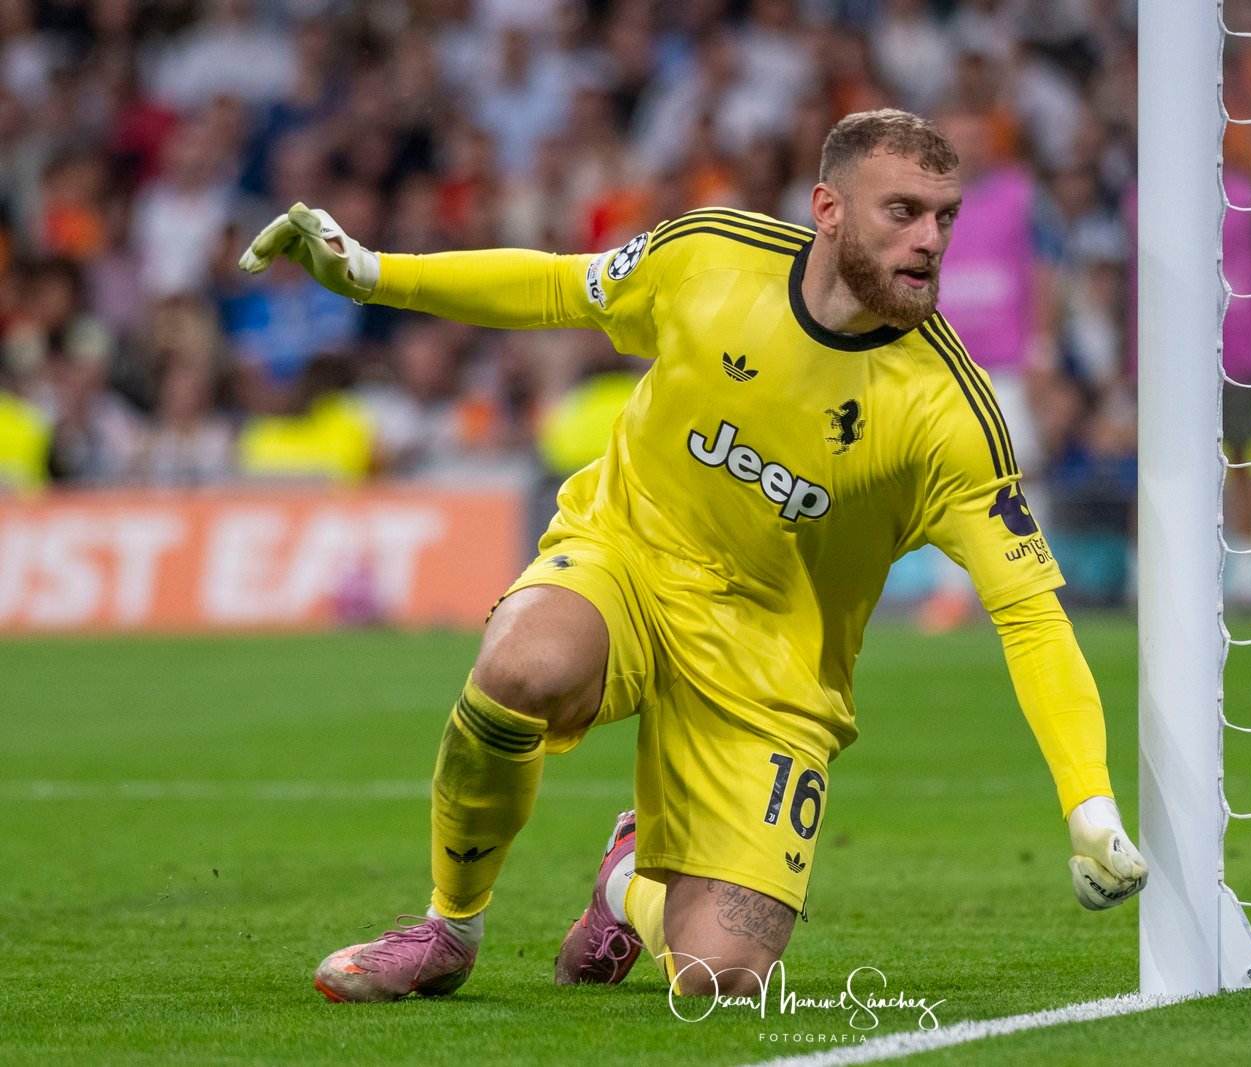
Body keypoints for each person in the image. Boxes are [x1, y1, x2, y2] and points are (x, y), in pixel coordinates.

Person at [239, 108, 1146, 1003]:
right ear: (828, 209)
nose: (930, 240)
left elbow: (1030, 614)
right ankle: (449, 927)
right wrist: (370, 273)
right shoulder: (710, 257)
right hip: (629, 558)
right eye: (902, 211)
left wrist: (1090, 804)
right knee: (521, 666)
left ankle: (624, 883)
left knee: (720, 979)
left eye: (945, 216)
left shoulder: (952, 410)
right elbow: (558, 286)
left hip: (772, 669)